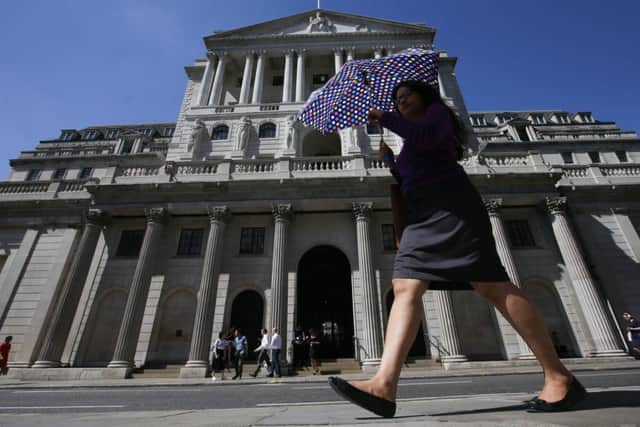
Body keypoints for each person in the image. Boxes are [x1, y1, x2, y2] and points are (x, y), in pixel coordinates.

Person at [328, 80, 587, 418]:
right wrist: (392, 162)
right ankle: (383, 384)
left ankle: (559, 376)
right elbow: (412, 172)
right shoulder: (409, 139)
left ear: (424, 97)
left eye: (407, 96)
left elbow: (428, 140)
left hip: (453, 207)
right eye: (397, 99)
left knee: (491, 285)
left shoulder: (437, 116)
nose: (401, 101)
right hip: (422, 216)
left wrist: (387, 118)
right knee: (405, 285)